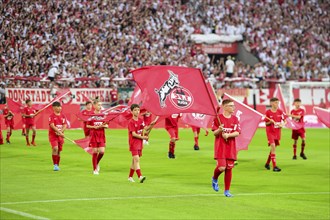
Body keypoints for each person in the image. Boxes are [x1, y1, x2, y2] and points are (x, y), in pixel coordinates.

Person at [211, 99, 241, 197]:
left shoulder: (235, 119)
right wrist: (219, 130)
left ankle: (227, 191)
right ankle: (214, 178)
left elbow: (237, 132)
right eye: (231, 106)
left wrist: (228, 135)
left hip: (231, 147)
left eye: (233, 106)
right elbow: (214, 133)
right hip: (220, 147)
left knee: (229, 169)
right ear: (225, 107)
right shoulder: (217, 118)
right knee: (222, 167)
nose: (233, 108)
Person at [127, 104, 155, 183]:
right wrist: (143, 138)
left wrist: (152, 125)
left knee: (134, 161)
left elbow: (145, 129)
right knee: (136, 159)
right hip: (133, 143)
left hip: (139, 143)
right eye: (135, 110)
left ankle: (130, 177)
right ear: (132, 111)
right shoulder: (131, 122)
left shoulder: (141, 121)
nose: (137, 111)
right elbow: (134, 134)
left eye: (138, 110)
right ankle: (140, 176)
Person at [264, 97, 287, 172]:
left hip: (277, 132)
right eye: (275, 102)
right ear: (271, 103)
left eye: (278, 102)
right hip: (270, 132)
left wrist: (282, 124)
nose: (277, 104)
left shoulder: (280, 112)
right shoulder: (268, 112)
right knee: (273, 146)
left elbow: (285, 120)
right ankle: (274, 166)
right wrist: (270, 122)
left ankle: (267, 163)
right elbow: (266, 123)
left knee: (273, 149)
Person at [86, 100, 108, 175]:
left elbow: (107, 125)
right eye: (98, 105)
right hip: (94, 135)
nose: (100, 106)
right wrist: (94, 127)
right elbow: (87, 125)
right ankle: (95, 169)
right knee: (95, 152)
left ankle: (96, 163)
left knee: (102, 152)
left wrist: (104, 126)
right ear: (94, 106)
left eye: (100, 105)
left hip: (101, 135)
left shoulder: (103, 115)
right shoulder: (91, 115)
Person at [48, 101, 67, 171]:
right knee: (55, 148)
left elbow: (65, 125)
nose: (59, 108)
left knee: (59, 151)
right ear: (54, 108)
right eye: (58, 107)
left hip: (60, 136)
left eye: (60, 107)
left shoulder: (63, 116)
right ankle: (55, 165)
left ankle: (57, 165)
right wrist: (58, 131)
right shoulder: (51, 116)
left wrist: (61, 132)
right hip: (53, 135)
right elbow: (52, 125)